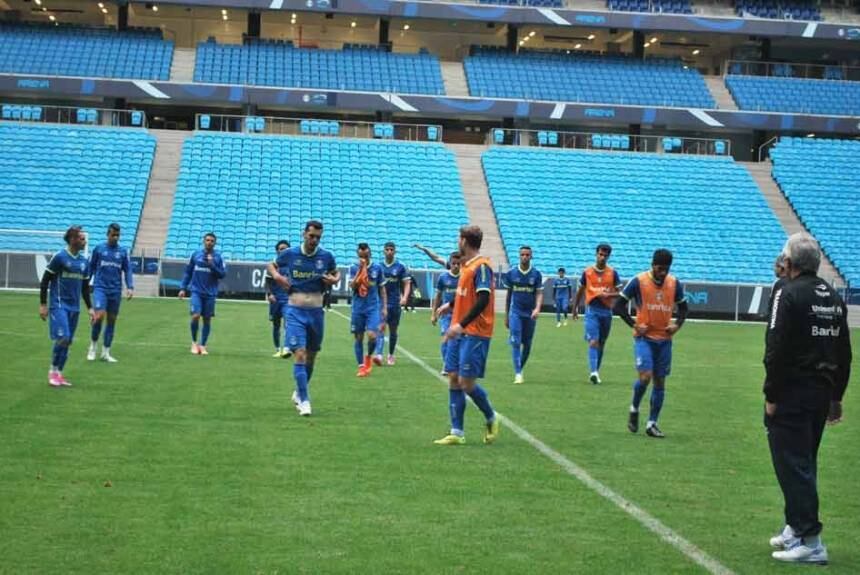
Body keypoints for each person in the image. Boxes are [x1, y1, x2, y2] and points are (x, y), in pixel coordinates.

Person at [764, 233, 851, 565]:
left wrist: (772, 394)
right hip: (819, 393)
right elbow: (844, 351)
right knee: (804, 461)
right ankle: (795, 529)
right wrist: (836, 396)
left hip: (791, 393)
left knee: (793, 465)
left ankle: (811, 540)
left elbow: (777, 348)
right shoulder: (832, 295)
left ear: (791, 262)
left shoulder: (786, 293)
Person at [434, 225, 500, 446]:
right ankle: (457, 432)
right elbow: (468, 295)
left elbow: (482, 300)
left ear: (464, 241)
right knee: (453, 377)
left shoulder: (482, 267)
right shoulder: (466, 266)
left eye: (458, 238)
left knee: (466, 383)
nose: (456, 242)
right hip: (459, 329)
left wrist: (460, 325)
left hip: (475, 332)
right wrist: (450, 304)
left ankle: (491, 416)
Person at [267, 220, 339, 417]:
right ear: (304, 234)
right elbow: (271, 265)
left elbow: (335, 272)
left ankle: (299, 391)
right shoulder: (290, 254)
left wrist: (335, 279)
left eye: (318, 237)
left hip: (316, 312)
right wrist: (278, 277)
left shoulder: (326, 256)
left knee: (312, 356)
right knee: (299, 353)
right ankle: (305, 401)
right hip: (295, 311)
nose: (314, 240)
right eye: (311, 236)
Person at [614, 249, 687, 439]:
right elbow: (618, 306)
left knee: (660, 380)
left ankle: (652, 423)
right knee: (645, 377)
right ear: (653, 265)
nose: (663, 273)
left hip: (664, 340)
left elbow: (684, 308)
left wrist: (677, 324)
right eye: (660, 268)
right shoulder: (638, 281)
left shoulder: (674, 283)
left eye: (667, 269)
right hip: (644, 339)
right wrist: (635, 325)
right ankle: (634, 407)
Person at [39, 225, 94, 387]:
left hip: (74, 308)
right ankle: (52, 371)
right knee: (63, 338)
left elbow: (85, 288)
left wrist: (90, 308)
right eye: (81, 238)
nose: (84, 241)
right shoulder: (60, 257)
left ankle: (59, 374)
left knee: (68, 341)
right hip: (59, 305)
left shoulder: (84, 262)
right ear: (72, 239)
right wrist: (43, 304)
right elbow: (45, 281)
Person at [573, 243, 623, 385]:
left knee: (601, 342)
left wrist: (610, 294)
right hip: (592, 310)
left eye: (605, 255)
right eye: (600, 254)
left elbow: (620, 292)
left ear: (608, 257)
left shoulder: (612, 273)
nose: (602, 257)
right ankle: (593, 372)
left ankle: (596, 371)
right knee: (594, 341)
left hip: (606, 312)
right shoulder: (587, 272)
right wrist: (575, 307)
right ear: (596, 254)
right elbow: (581, 290)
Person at [87, 223, 134, 363]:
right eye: (113, 234)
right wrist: (85, 283)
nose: (115, 237)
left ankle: (106, 352)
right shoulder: (99, 249)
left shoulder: (123, 252)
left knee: (112, 320)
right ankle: (93, 347)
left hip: (115, 290)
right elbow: (90, 267)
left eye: (118, 235)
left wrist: (130, 286)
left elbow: (128, 270)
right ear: (107, 234)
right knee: (99, 316)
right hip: (100, 288)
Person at [178, 233, 226, 356]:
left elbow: (222, 274)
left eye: (212, 241)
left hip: (210, 293)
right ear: (203, 241)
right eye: (207, 240)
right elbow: (188, 272)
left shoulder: (218, 257)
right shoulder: (195, 255)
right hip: (196, 291)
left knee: (207, 319)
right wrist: (183, 288)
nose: (209, 242)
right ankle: (194, 342)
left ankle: (203, 345)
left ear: (215, 243)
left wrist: (212, 265)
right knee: (195, 315)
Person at [502, 246, 543, 385]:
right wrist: (506, 315)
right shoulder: (511, 273)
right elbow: (508, 296)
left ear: (531, 256)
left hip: (530, 314)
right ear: (519, 256)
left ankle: (519, 368)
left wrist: (537, 308)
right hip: (516, 312)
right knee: (515, 342)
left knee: (527, 344)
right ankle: (518, 373)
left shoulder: (536, 274)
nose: (524, 257)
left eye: (527, 255)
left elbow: (539, 293)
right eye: (522, 254)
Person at [349, 243, 387, 377]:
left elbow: (382, 288)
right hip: (358, 308)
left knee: (372, 335)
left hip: (372, 307)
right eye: (361, 255)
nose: (363, 257)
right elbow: (353, 287)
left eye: (365, 254)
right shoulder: (353, 268)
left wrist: (384, 307)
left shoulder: (377, 268)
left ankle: (368, 358)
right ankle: (361, 366)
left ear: (369, 253)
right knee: (358, 337)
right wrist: (360, 270)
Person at [375, 242, 411, 365]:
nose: (389, 251)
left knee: (393, 330)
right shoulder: (378, 266)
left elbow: (407, 283)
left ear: (395, 251)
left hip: (395, 303)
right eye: (387, 249)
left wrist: (405, 297)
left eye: (391, 249)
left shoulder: (400, 266)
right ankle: (379, 355)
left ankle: (390, 354)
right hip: (382, 303)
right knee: (381, 328)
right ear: (383, 251)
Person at [431, 251, 461, 375]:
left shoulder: (464, 277)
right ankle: (446, 364)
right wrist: (433, 314)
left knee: (457, 340)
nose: (456, 266)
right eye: (453, 263)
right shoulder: (443, 277)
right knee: (446, 338)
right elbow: (438, 296)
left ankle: (452, 364)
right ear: (450, 263)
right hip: (446, 314)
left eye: (458, 264)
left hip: (460, 314)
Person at [266, 240, 292, 358]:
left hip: (287, 300)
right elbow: (267, 282)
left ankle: (287, 348)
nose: (283, 250)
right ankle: (277, 349)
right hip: (275, 300)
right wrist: (269, 294)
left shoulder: (292, 265)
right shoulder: (273, 266)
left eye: (285, 248)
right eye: (281, 248)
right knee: (276, 325)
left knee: (288, 323)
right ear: (277, 250)